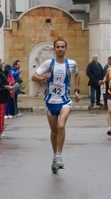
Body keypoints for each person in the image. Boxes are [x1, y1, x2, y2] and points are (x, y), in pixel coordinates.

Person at [31, 38, 80, 173]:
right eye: (57, 47)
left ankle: (59, 156)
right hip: (50, 101)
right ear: (54, 49)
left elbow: (76, 74)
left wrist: (76, 90)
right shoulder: (49, 63)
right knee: (53, 132)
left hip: (65, 101)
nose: (60, 49)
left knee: (61, 126)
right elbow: (33, 76)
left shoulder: (71, 64)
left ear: (66, 48)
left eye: (62, 47)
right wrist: (42, 78)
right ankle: (54, 157)